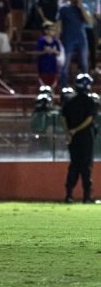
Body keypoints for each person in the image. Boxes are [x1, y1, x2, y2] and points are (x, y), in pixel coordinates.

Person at [61, 73, 98, 203]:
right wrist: (77, 130)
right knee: (86, 166)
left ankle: (69, 195)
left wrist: (69, 132)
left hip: (73, 138)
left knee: (74, 165)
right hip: (86, 137)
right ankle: (87, 196)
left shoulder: (69, 101)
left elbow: (63, 118)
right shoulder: (90, 101)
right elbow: (89, 119)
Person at [58, 0, 91, 87]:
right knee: (66, 63)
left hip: (81, 38)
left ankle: (85, 85)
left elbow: (88, 20)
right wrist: (58, 37)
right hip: (68, 38)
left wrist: (81, 7)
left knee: (84, 62)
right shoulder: (63, 8)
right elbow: (58, 23)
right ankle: (64, 85)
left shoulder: (83, 7)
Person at [36, 21, 61, 88]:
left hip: (52, 65)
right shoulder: (41, 40)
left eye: (54, 30)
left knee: (52, 83)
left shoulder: (55, 41)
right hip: (43, 65)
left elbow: (59, 53)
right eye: (51, 29)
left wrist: (53, 51)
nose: (53, 31)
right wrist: (45, 51)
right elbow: (38, 52)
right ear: (46, 31)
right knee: (43, 83)